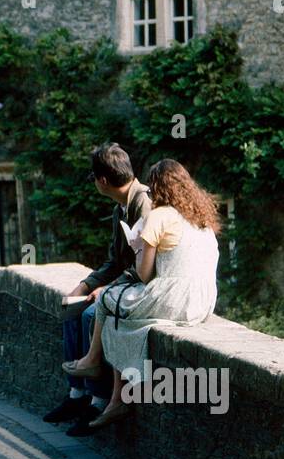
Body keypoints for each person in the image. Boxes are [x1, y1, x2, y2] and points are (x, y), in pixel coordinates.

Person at [64, 158, 220, 430]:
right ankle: (114, 399)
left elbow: (145, 274)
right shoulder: (202, 220)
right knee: (118, 316)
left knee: (109, 300)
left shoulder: (159, 216)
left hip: (172, 298)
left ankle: (93, 363)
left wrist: (138, 247)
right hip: (202, 302)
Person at [43, 142, 152, 436]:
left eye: (93, 177)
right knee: (73, 307)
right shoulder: (121, 208)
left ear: (102, 180)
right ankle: (77, 395)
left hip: (145, 286)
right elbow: (114, 260)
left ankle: (99, 400)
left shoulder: (144, 203)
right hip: (126, 282)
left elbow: (147, 266)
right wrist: (86, 284)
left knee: (92, 315)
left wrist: (107, 288)